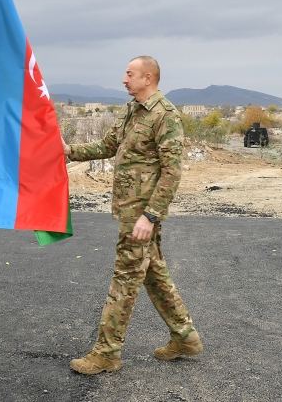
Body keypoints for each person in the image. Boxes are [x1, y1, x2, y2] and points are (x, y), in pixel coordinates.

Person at [64, 56, 203, 375]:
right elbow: (108, 145)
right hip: (129, 210)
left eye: (130, 74)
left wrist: (151, 216)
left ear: (149, 78)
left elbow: (172, 172)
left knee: (126, 277)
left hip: (142, 213)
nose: (124, 79)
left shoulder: (165, 116)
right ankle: (185, 336)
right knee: (152, 273)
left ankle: (106, 352)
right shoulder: (131, 110)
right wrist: (69, 151)